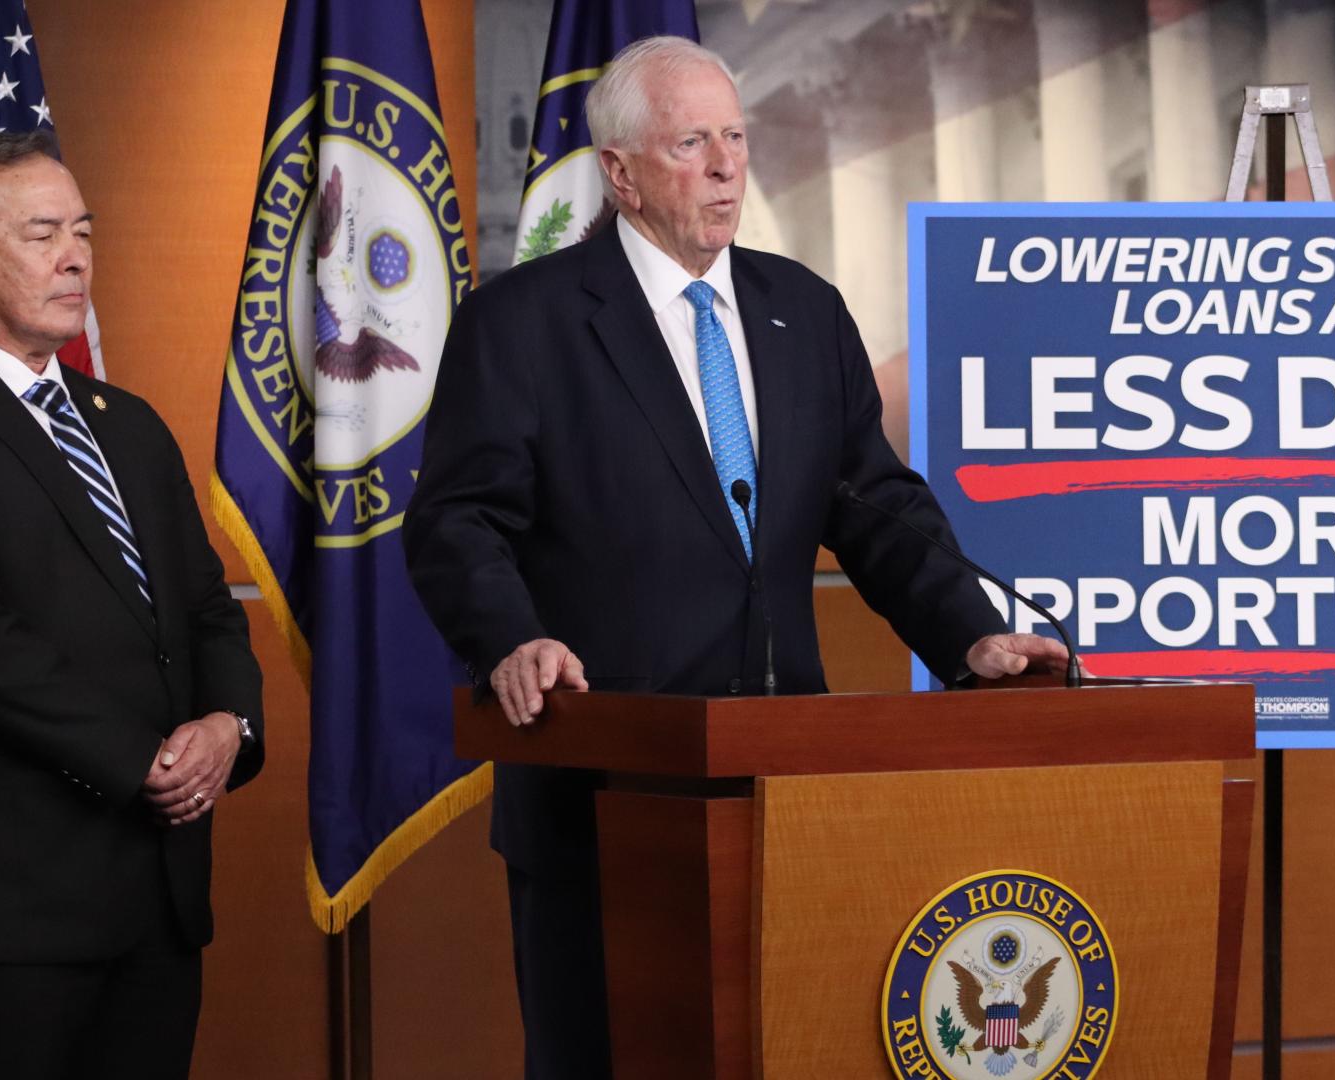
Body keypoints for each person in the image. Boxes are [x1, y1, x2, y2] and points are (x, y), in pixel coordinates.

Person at [404, 36, 1066, 1079]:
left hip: (788, 791)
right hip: (603, 798)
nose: (726, 166)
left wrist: (968, 632)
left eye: (736, 138)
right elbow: (456, 522)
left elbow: (877, 506)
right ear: (619, 172)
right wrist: (514, 638)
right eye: (690, 142)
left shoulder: (802, 310)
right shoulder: (523, 325)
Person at [0, 131, 264, 1080]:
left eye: (82, 231)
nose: (76, 257)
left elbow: (206, 606)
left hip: (156, 897)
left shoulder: (131, 424)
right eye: (41, 235)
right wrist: (143, 760)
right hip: (9, 902)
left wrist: (229, 723)